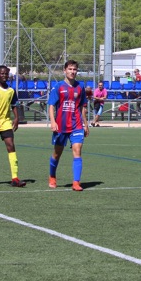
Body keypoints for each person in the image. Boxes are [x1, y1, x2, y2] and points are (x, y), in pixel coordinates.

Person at [48, 59, 90, 191]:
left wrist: (85, 124)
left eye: (75, 69)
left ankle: (76, 182)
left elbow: (82, 107)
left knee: (77, 150)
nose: (72, 72)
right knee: (57, 153)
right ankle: (52, 176)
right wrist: (53, 121)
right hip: (61, 126)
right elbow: (51, 105)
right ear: (64, 71)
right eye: (70, 69)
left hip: (76, 125)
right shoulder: (58, 86)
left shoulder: (80, 87)